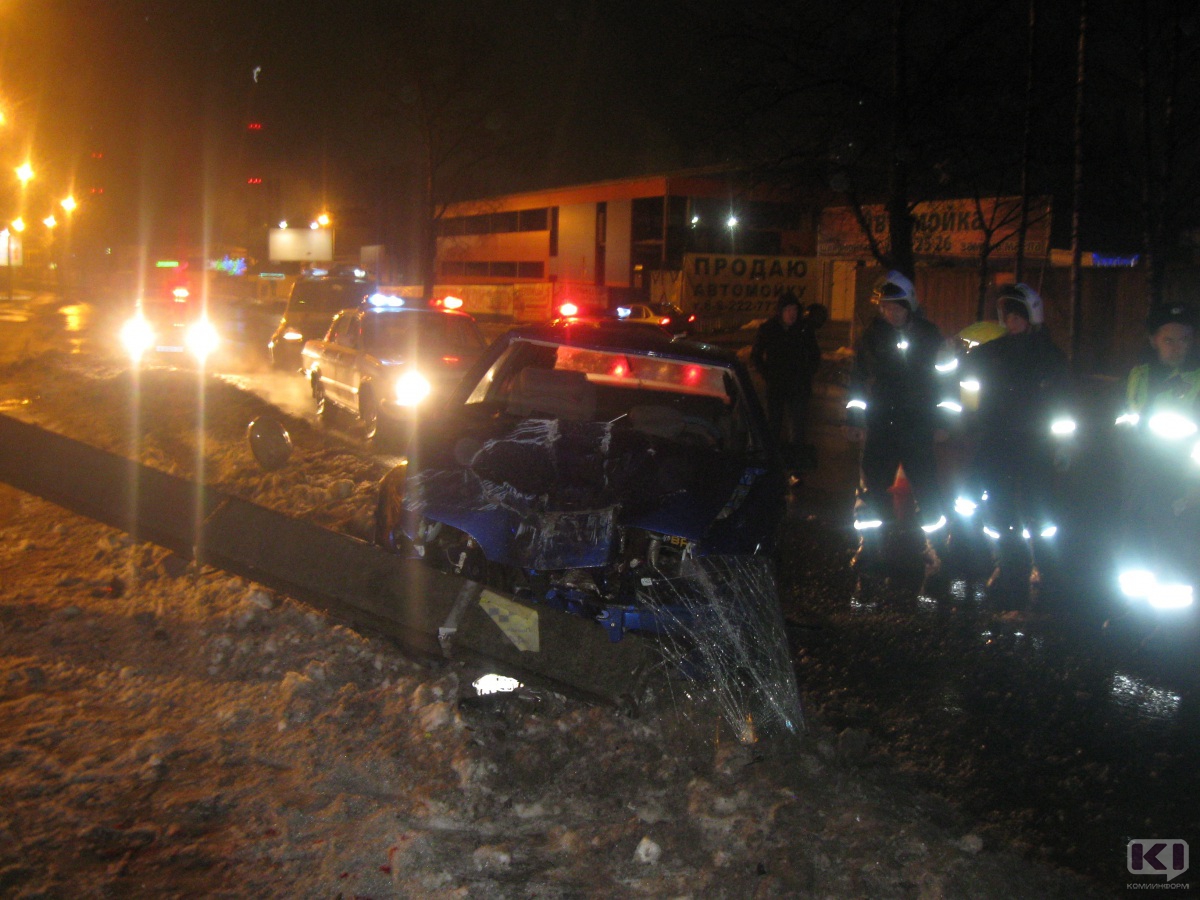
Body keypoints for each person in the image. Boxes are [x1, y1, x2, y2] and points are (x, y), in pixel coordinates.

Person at [957, 283, 1073, 601]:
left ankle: (1047, 568)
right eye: (1007, 315)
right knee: (999, 508)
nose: (1012, 321)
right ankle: (1009, 567)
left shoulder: (1050, 357)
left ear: (1032, 316)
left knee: (1040, 511)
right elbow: (967, 383)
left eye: (1018, 315)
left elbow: (1063, 405)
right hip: (997, 440)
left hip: (1035, 444)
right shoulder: (992, 352)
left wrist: (1062, 445)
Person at [844, 270, 955, 579]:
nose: (890, 312)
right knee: (871, 491)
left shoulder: (931, 336)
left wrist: (944, 420)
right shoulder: (872, 337)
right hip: (882, 426)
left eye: (896, 306)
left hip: (918, 427)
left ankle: (937, 549)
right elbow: (856, 379)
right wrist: (854, 417)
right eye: (885, 307)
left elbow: (947, 381)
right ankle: (870, 546)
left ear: (909, 306)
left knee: (928, 491)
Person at [1113, 302, 1200, 607]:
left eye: (1185, 339)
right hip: (1139, 477)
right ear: (1153, 340)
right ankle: (1134, 613)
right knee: (1134, 547)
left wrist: (1194, 486)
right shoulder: (1140, 374)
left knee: (1174, 550)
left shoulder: (1197, 379)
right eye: (1169, 340)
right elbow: (1127, 417)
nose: (1178, 348)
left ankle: (1172, 627)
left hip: (1178, 482)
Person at [752, 290, 822, 472]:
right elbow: (756, 356)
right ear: (780, 311)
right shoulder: (768, 329)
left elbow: (815, 355)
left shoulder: (804, 330)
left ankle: (796, 466)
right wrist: (767, 374)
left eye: (795, 310)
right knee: (773, 425)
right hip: (776, 386)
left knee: (798, 427)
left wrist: (807, 374)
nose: (792, 314)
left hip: (799, 386)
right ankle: (772, 464)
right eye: (788, 309)